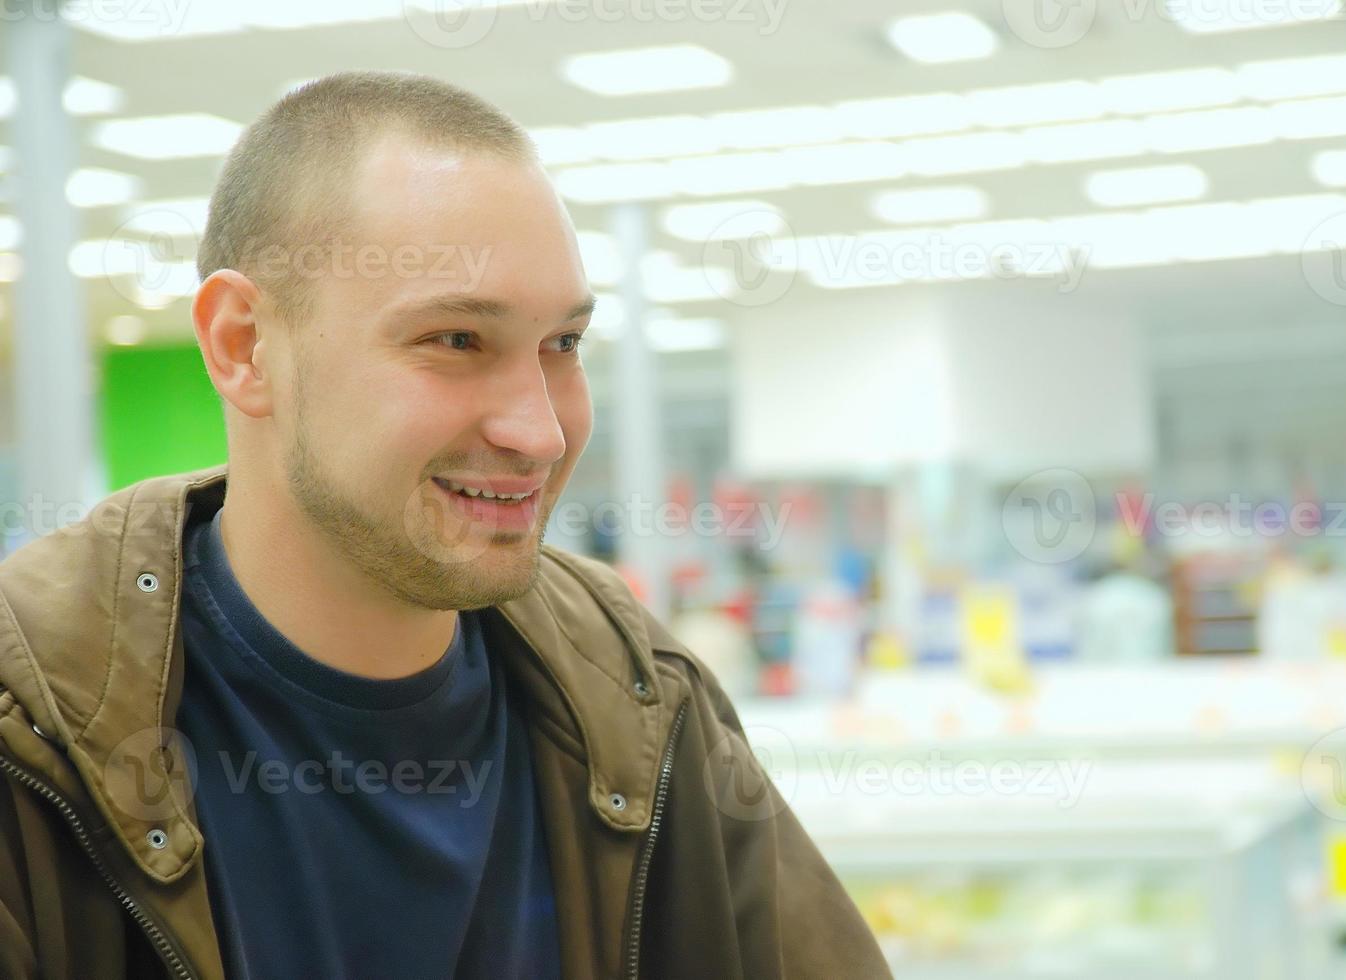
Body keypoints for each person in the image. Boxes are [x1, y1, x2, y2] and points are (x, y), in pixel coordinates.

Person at [0, 71, 891, 980]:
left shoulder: (637, 696)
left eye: (565, 345)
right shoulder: (33, 727)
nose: (541, 431)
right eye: (457, 341)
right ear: (244, 345)